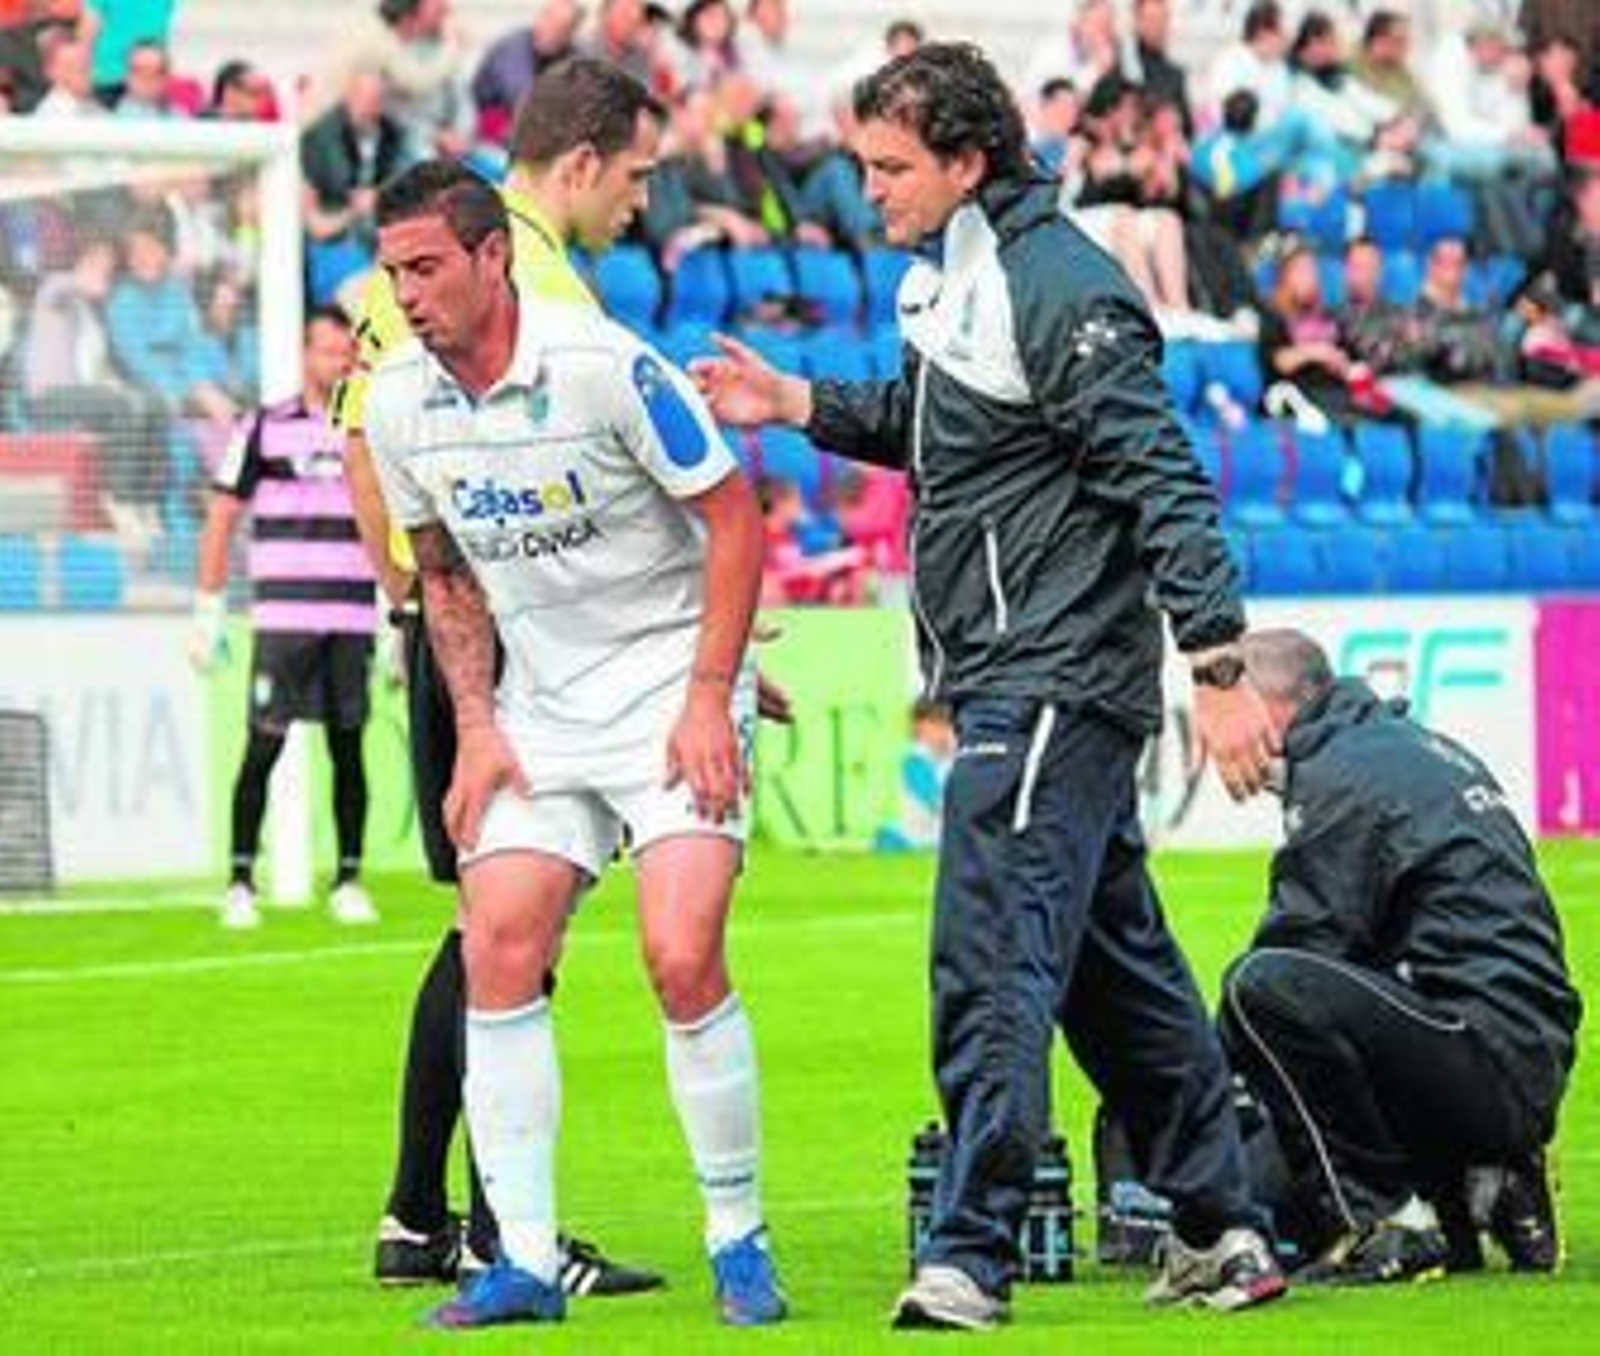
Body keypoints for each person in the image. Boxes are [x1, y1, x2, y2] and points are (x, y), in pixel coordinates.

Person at [692, 41, 1287, 1332]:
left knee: (990, 959)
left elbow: (1162, 475)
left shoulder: (1058, 284)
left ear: (967, 162)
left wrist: (1217, 664)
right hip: (1024, 679)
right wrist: (791, 398)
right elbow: (935, 426)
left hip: (1050, 679)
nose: (868, 190)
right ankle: (1223, 1227)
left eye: (890, 167)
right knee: (1115, 976)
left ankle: (969, 1254)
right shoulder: (949, 277)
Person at [363, 159, 785, 1330]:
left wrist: (711, 692)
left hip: (667, 687)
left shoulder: (605, 366)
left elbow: (732, 518)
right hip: (538, 706)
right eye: (395, 274)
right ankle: (526, 1262)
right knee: (497, 946)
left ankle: (738, 1237)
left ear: (493, 256)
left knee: (680, 954)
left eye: (427, 268)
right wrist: (477, 729)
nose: (408, 296)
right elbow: (444, 576)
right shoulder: (397, 403)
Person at [338, 57, 670, 1297]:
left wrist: (407, 593)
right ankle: (494, 1229)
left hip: (451, 620)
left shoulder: (420, 270)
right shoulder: (516, 275)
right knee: (514, 928)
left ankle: (418, 1214)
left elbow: (360, 436)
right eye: (636, 174)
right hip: (513, 632)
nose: (641, 200)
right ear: (581, 162)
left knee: (489, 924)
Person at [1218, 628, 1581, 1281]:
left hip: (1478, 1053)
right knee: (1268, 1189)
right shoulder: (1403, 746)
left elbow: (1303, 950)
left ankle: (1387, 1222)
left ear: (1262, 708)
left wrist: (1198, 1077)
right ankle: (1487, 1182)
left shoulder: (1340, 777)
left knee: (1258, 989)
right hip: (1517, 1049)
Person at [188, 309, 381, 930]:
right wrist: (208, 609)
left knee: (348, 749)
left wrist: (395, 615)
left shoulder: (369, 431)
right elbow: (223, 515)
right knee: (263, 746)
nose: (336, 363)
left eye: (344, 353)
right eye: (326, 351)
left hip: (351, 618)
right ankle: (240, 881)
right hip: (284, 619)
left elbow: (391, 522)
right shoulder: (265, 427)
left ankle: (349, 879)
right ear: (304, 355)